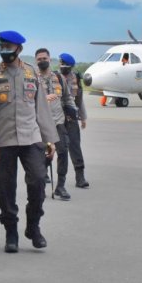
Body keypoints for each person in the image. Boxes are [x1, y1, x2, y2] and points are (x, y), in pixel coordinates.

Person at [0, 31, 58, 253]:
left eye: (8, 46)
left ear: (19, 49)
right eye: (1, 46)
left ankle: (33, 226)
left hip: (31, 137)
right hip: (2, 140)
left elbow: (41, 108)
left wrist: (49, 140)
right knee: (6, 188)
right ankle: (11, 232)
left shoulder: (31, 73)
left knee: (38, 181)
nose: (4, 50)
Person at [35, 48, 78, 201]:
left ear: (49, 59)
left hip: (59, 122)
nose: (42, 61)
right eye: (39, 59)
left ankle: (60, 186)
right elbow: (27, 102)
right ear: (36, 61)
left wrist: (73, 111)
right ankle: (40, 184)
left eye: (44, 58)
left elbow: (67, 97)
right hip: (41, 125)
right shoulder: (33, 79)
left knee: (63, 152)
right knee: (43, 156)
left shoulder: (58, 78)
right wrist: (45, 98)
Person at [59, 53, 90, 188]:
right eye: (61, 64)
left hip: (71, 118)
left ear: (70, 66)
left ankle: (80, 176)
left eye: (65, 65)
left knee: (75, 146)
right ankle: (44, 173)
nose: (62, 67)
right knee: (50, 146)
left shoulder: (76, 79)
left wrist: (82, 117)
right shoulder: (54, 78)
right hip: (56, 118)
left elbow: (79, 100)